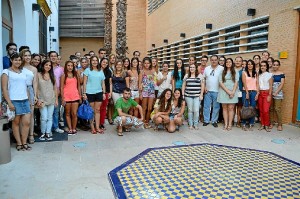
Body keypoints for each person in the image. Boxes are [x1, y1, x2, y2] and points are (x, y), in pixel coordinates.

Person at [1, 53, 31, 151]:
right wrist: (9, 103)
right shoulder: (6, 72)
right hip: (14, 100)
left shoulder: (22, 72)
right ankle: (19, 143)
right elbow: (4, 89)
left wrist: (29, 99)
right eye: (15, 60)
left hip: (25, 100)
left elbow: (25, 86)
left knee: (27, 122)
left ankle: (24, 142)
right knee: (16, 123)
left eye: (19, 60)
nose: (18, 62)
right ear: (11, 60)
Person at [83, 55, 106, 134]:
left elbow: (103, 83)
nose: (95, 62)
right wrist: (84, 93)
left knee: (97, 110)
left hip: (99, 92)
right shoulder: (87, 70)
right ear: (90, 61)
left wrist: (104, 92)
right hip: (90, 93)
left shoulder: (100, 71)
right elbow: (84, 83)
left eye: (96, 60)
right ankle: (92, 128)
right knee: (91, 111)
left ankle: (97, 127)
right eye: (93, 60)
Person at [37, 60, 57, 141]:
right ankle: (43, 133)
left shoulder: (52, 75)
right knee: (44, 117)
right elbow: (37, 88)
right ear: (43, 65)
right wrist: (38, 98)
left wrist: (56, 100)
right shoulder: (38, 75)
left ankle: (48, 133)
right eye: (46, 65)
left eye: (49, 65)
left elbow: (55, 88)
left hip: (51, 99)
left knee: (50, 117)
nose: (48, 66)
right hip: (42, 100)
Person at [20, 49, 38, 144]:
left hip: (30, 90)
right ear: (22, 56)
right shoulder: (19, 67)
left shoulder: (34, 69)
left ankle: (31, 135)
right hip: (20, 90)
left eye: (29, 55)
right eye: (25, 55)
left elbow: (35, 82)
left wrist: (35, 95)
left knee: (31, 114)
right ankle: (22, 136)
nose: (27, 57)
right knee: (20, 115)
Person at [217, 58, 239, 131]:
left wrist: (232, 92)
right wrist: (228, 92)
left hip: (233, 91)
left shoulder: (235, 71)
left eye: (230, 62)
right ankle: (225, 124)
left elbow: (236, 82)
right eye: (227, 62)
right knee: (225, 108)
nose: (228, 63)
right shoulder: (222, 71)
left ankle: (230, 124)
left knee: (231, 108)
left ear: (232, 63)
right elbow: (220, 82)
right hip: (223, 91)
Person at [60, 61, 81, 135]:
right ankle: (70, 128)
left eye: (71, 66)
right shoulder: (63, 75)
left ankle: (74, 128)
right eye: (68, 65)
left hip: (75, 96)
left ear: (73, 66)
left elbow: (78, 86)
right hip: (67, 97)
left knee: (74, 113)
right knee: (67, 113)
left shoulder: (76, 75)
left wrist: (80, 96)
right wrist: (63, 98)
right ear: (66, 66)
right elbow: (61, 87)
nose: (70, 67)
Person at [182, 64, 205, 130]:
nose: (192, 68)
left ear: (196, 68)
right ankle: (191, 124)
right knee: (190, 110)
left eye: (193, 67)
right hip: (188, 95)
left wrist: (201, 95)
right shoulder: (186, 75)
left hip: (197, 96)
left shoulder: (200, 75)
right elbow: (184, 85)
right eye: (190, 67)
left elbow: (202, 86)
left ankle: (196, 124)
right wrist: (183, 94)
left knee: (196, 110)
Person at [203, 55, 223, 127]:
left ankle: (214, 120)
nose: (214, 61)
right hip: (207, 91)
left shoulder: (222, 69)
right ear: (210, 60)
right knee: (206, 106)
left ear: (218, 60)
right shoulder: (207, 69)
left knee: (216, 107)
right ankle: (206, 120)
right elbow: (203, 79)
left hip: (217, 91)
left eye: (215, 60)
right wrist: (204, 87)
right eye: (212, 60)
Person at [49, 51, 64, 134]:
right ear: (49, 57)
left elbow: (61, 83)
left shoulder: (60, 69)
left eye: (55, 56)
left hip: (57, 92)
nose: (53, 57)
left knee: (56, 111)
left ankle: (55, 127)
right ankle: (48, 128)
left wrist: (60, 93)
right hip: (47, 92)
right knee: (48, 111)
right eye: (52, 56)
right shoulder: (46, 67)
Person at [241, 59, 259, 131]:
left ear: (253, 65)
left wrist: (257, 93)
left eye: (251, 64)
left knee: (253, 108)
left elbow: (257, 83)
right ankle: (244, 123)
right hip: (246, 92)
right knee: (245, 107)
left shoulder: (255, 73)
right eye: (248, 64)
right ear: (246, 65)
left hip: (254, 92)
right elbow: (244, 83)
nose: (250, 65)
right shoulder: (244, 73)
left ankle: (251, 123)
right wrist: (247, 92)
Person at [139, 57, 156, 129]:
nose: (146, 65)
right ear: (143, 64)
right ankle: (143, 122)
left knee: (150, 108)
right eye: (145, 63)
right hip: (144, 91)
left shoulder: (153, 71)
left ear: (150, 64)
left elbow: (154, 82)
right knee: (144, 108)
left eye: (148, 63)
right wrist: (140, 94)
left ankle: (147, 121)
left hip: (151, 91)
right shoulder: (142, 72)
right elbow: (139, 83)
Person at [258, 61, 273, 132]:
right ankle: (262, 124)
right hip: (260, 93)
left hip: (266, 93)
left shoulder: (269, 75)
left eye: (264, 65)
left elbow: (270, 86)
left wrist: (269, 95)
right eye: (261, 66)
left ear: (266, 67)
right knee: (261, 110)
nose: (263, 67)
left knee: (266, 110)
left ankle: (267, 125)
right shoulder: (259, 75)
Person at [270, 60, 285, 131]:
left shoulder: (281, 74)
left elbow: (282, 84)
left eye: (276, 65)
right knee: (271, 109)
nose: (275, 66)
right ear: (272, 65)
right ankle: (271, 123)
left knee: (277, 108)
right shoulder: (270, 73)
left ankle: (280, 124)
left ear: (279, 66)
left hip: (278, 93)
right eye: (274, 65)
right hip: (270, 92)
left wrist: (276, 92)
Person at [99, 57, 112, 130]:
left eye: (106, 63)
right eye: (103, 62)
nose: (105, 64)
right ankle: (95, 122)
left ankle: (101, 123)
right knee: (97, 108)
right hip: (97, 91)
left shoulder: (108, 72)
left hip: (106, 91)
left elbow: (110, 83)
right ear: (100, 62)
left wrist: (110, 92)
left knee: (103, 108)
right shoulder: (96, 71)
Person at [235, 56, 244, 127]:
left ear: (242, 62)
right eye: (236, 61)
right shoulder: (231, 69)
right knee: (231, 107)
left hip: (240, 92)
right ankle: (231, 121)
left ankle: (238, 121)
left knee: (239, 107)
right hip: (232, 91)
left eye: (239, 61)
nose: (238, 62)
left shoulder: (244, 71)